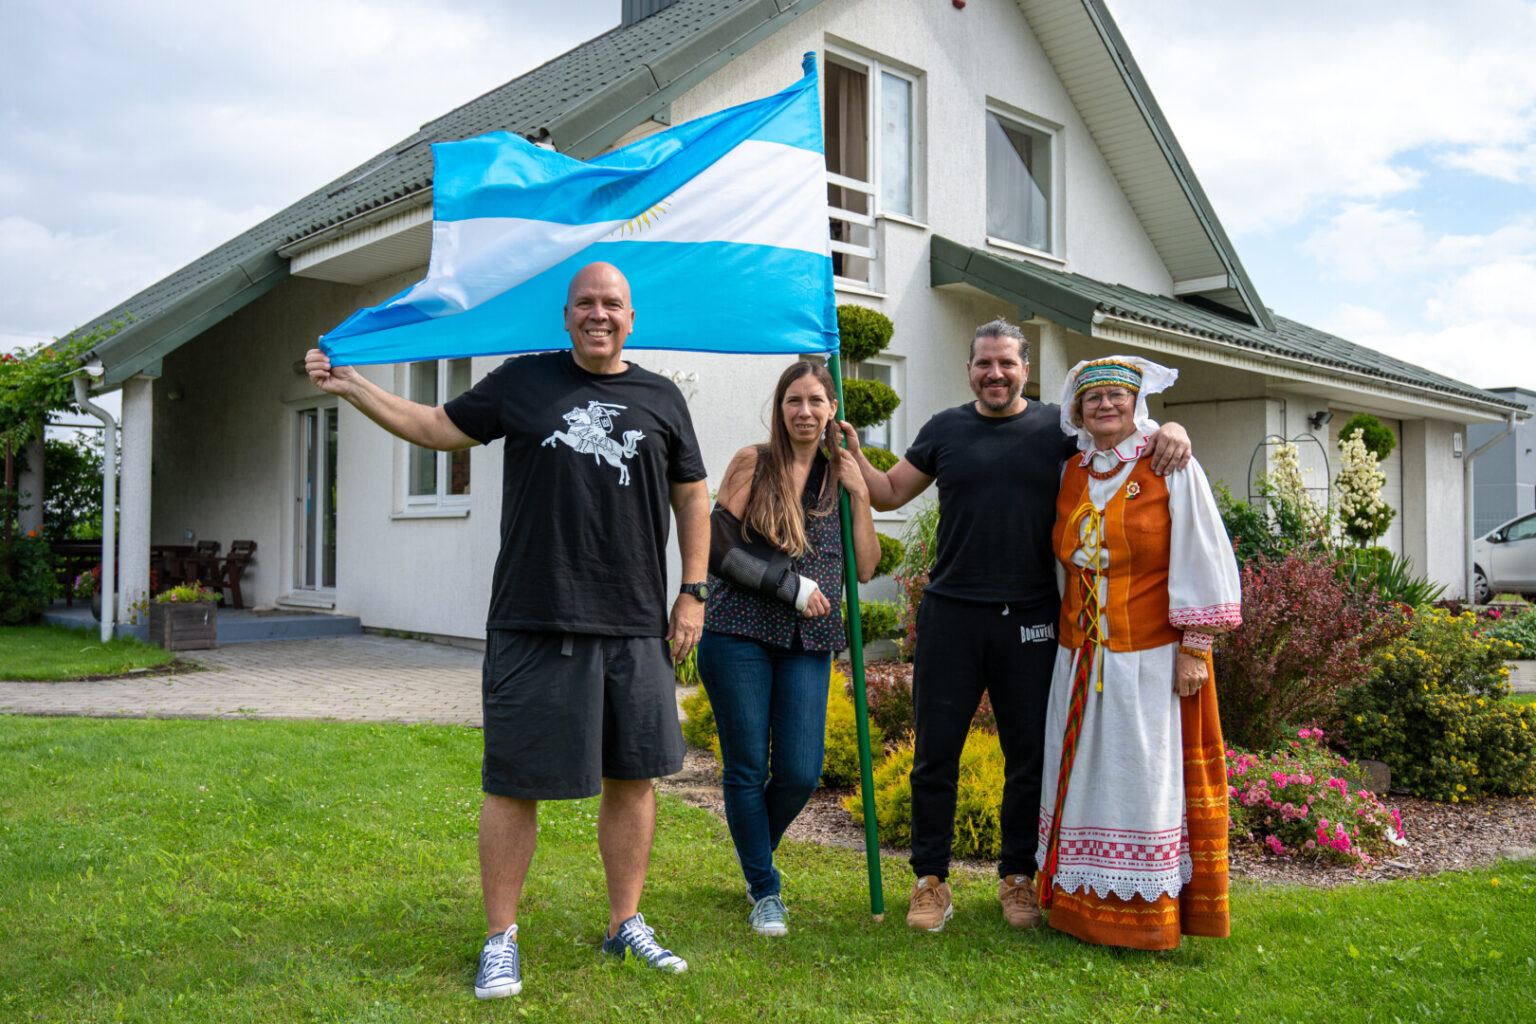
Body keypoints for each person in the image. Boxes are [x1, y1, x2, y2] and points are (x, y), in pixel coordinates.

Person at [303, 262, 710, 998]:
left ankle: (626, 924)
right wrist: (352, 386)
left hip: (633, 620)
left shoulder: (662, 398)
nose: (599, 314)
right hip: (534, 614)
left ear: (631, 316)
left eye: (612, 303)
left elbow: (692, 498)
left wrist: (693, 593)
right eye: (585, 303)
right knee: (514, 781)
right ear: (564, 316)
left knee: (634, 777)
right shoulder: (524, 381)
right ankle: (500, 938)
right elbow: (433, 429)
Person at [846, 319, 1190, 932]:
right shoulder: (944, 428)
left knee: (1028, 756)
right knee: (935, 756)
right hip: (951, 614)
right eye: (984, 363)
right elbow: (891, 493)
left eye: (1006, 363)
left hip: (1032, 619)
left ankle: (1017, 877)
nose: (995, 373)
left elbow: (1121, 434)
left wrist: (1172, 427)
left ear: (1026, 368)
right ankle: (930, 881)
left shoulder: (1058, 430)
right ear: (970, 368)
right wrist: (852, 459)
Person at [1035, 356, 1241, 949]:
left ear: (1137, 403)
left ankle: (1144, 917)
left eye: (1116, 396)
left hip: (1147, 658)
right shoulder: (1073, 472)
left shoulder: (1168, 463)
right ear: (1076, 410)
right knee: (1085, 782)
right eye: (1092, 397)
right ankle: (1077, 906)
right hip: (1080, 659)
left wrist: (1195, 648)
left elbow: (1201, 551)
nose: (1105, 405)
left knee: (1140, 780)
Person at [697, 360, 880, 937]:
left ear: (833, 410)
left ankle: (753, 852)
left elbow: (867, 566)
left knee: (801, 772)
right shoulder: (756, 461)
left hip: (809, 642)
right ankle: (764, 886)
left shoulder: (841, 474)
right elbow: (716, 542)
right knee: (748, 767)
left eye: (816, 401)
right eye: (793, 401)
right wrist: (790, 585)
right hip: (739, 632)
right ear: (780, 409)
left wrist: (861, 495)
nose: (805, 411)